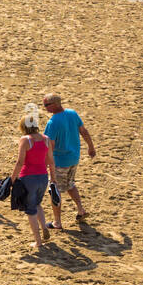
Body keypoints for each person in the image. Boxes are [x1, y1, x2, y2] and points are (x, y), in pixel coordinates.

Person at [9, 105, 58, 252]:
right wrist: (53, 178)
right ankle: (43, 227)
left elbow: (20, 162)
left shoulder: (25, 140)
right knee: (37, 203)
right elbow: (51, 161)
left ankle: (38, 241)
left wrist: (12, 179)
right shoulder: (46, 139)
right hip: (43, 176)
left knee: (30, 210)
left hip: (28, 178)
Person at [42, 94, 95, 227]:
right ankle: (81, 210)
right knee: (70, 184)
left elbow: (50, 145)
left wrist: (45, 163)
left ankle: (57, 222)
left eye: (46, 105)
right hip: (74, 158)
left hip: (60, 161)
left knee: (55, 189)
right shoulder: (72, 113)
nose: (45, 108)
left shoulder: (53, 122)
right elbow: (84, 131)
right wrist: (91, 147)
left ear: (55, 104)